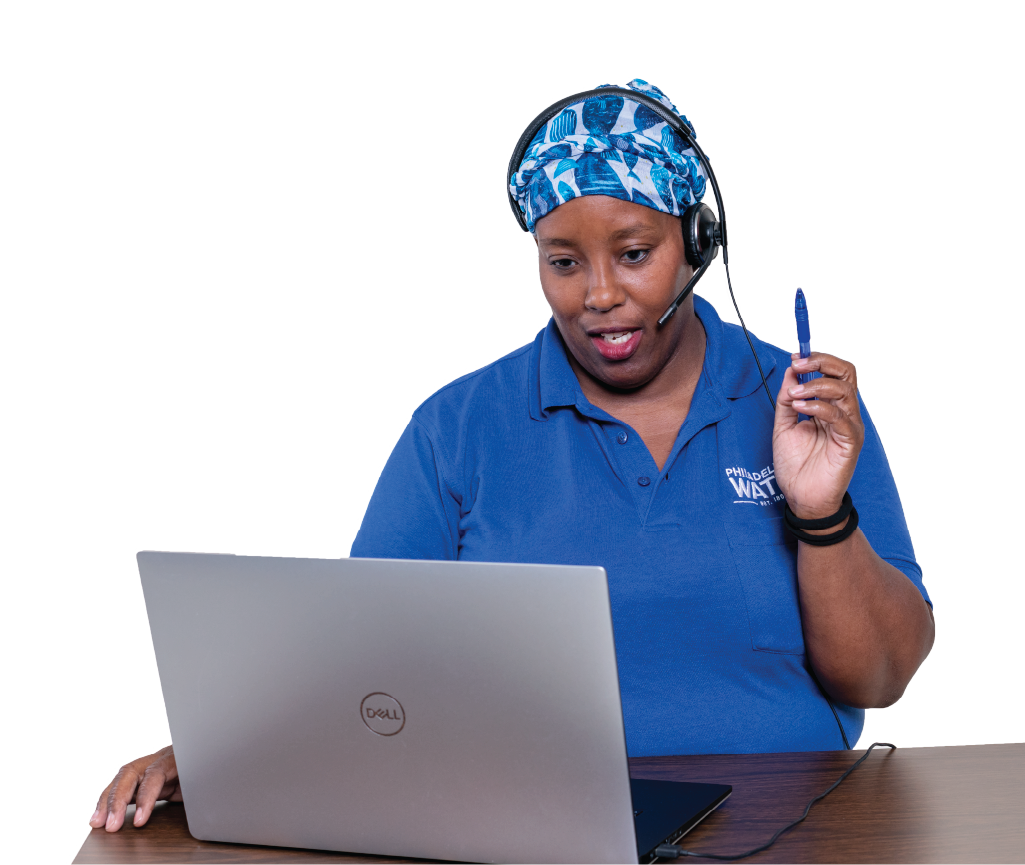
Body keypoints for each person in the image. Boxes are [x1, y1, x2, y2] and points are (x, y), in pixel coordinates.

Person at [90, 78, 934, 833]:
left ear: (697, 242)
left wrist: (820, 512)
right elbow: (356, 667)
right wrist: (208, 752)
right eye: (563, 262)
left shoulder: (803, 409)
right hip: (531, 833)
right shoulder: (458, 428)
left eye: (633, 253)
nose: (598, 294)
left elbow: (881, 677)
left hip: (798, 825)